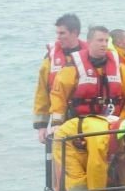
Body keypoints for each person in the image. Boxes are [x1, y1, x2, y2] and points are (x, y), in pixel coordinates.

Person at [48, 24, 125, 191]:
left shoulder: (119, 69)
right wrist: (55, 125)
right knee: (79, 187)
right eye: (99, 41)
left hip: (112, 128)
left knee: (124, 179)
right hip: (79, 136)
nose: (103, 45)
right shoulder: (73, 68)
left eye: (105, 41)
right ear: (89, 42)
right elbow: (58, 96)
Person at [32, 13, 87, 144]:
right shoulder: (51, 59)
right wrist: (42, 126)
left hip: (87, 118)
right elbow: (42, 92)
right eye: (57, 33)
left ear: (74, 33)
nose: (58, 37)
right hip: (60, 121)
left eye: (62, 33)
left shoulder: (91, 53)